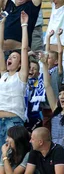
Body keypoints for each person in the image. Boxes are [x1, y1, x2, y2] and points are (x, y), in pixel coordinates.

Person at [0, 8, 29, 157]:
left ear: (20, 64)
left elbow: (24, 49)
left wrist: (24, 26)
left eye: (14, 57)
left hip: (14, 122)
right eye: (9, 56)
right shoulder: (3, 75)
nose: (10, 58)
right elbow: (0, 47)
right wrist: (2, 23)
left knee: (10, 159)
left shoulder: (21, 76)